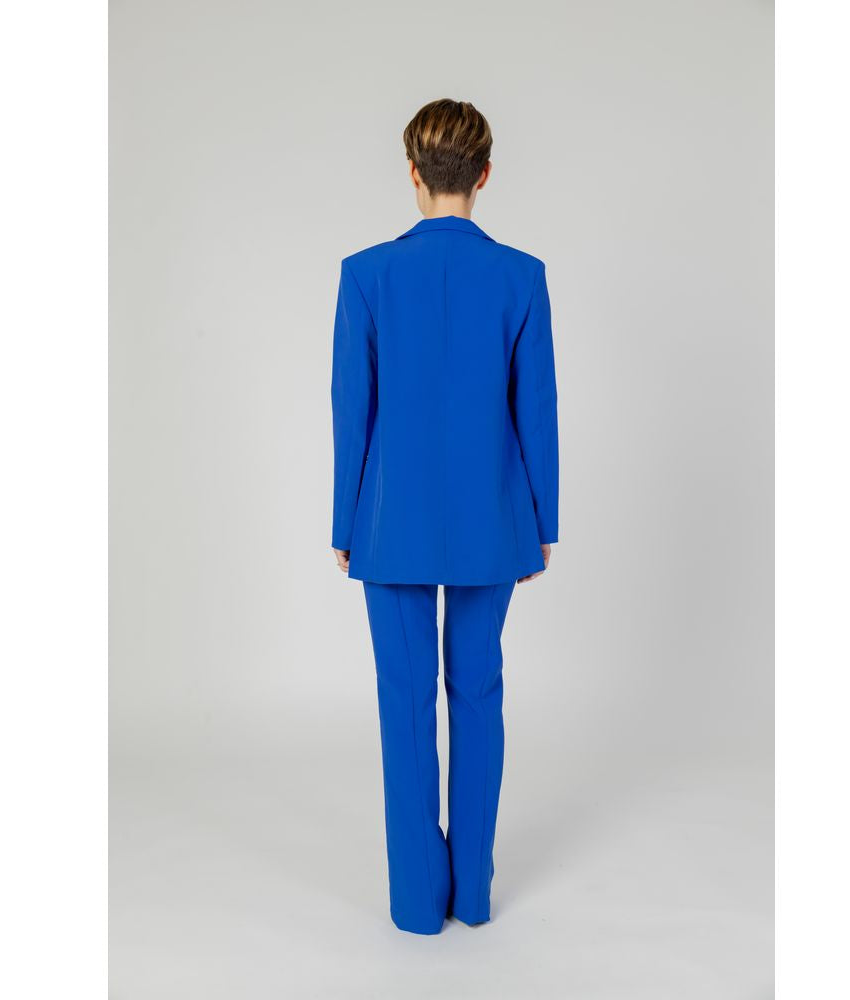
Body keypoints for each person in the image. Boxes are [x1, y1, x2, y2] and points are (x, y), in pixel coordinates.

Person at [330, 98, 559, 934]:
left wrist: (345, 524)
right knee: (478, 693)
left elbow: (351, 410)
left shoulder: (367, 274)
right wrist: (542, 522)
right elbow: (536, 408)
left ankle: (417, 903)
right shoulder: (521, 276)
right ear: (485, 175)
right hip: (492, 523)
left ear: (414, 175)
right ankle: (472, 894)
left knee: (404, 703)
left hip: (389, 524)